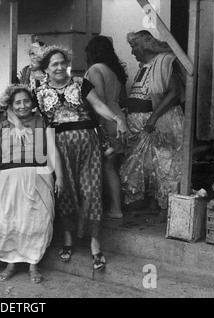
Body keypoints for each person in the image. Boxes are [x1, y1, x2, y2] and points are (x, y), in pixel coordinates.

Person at [33, 45, 129, 270]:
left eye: (62, 63)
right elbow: (35, 120)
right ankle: (68, 238)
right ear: (45, 69)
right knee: (65, 191)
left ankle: (95, 243)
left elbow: (98, 105)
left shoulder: (81, 83)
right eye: (54, 64)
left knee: (92, 190)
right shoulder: (38, 91)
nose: (59, 67)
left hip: (88, 143)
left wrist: (118, 119)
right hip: (58, 146)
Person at [0, 84, 64, 283]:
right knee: (9, 220)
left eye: (26, 101)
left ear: (32, 103)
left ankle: (33, 264)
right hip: (8, 178)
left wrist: (60, 177)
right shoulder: (2, 127)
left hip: (38, 176)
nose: (22, 106)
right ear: (10, 105)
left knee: (37, 220)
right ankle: (10, 262)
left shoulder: (41, 122)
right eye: (17, 102)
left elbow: (52, 151)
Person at [119, 30, 185, 224]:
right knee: (148, 167)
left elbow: (174, 92)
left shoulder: (164, 61)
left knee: (166, 166)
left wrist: (153, 118)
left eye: (133, 47)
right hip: (142, 126)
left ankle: (167, 210)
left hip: (161, 123)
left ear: (144, 46)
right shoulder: (144, 66)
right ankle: (153, 206)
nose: (132, 52)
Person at [85, 35, 128, 220]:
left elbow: (100, 100)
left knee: (106, 168)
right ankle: (114, 206)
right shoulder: (113, 70)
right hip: (118, 117)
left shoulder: (95, 69)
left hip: (105, 120)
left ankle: (114, 209)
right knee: (112, 166)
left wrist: (99, 126)